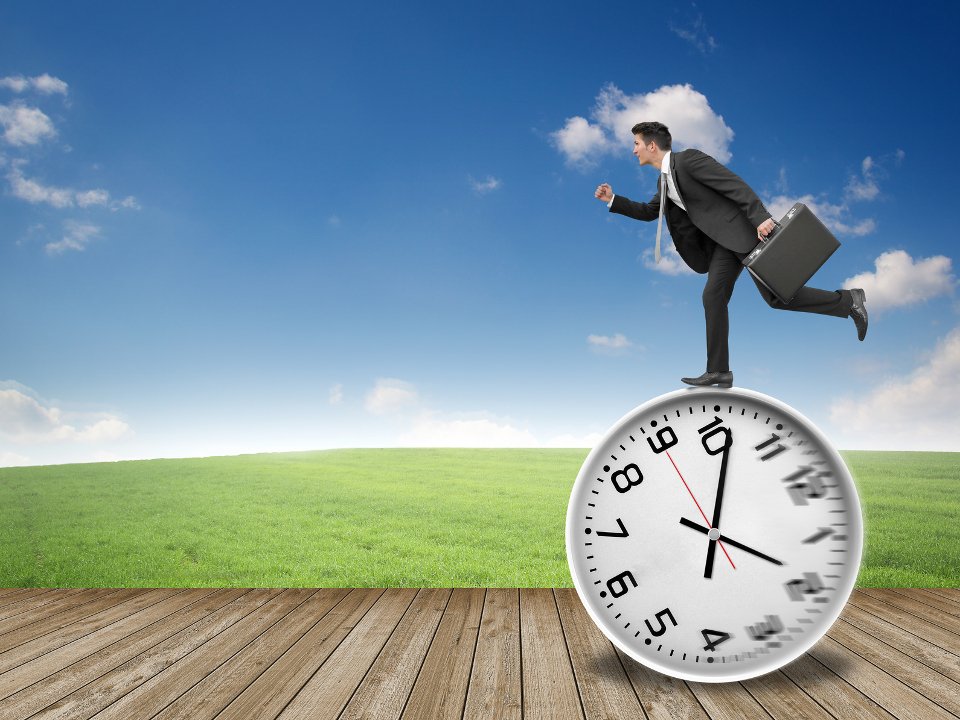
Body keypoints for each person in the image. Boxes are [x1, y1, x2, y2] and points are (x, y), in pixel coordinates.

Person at [594, 121, 868, 388]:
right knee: (714, 296)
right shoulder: (663, 182)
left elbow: (732, 183)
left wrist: (760, 217)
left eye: (636, 144)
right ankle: (719, 372)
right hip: (721, 246)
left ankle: (848, 301)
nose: (634, 150)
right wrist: (613, 200)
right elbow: (649, 211)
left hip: (740, 233)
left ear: (651, 145)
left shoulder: (688, 160)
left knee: (776, 297)